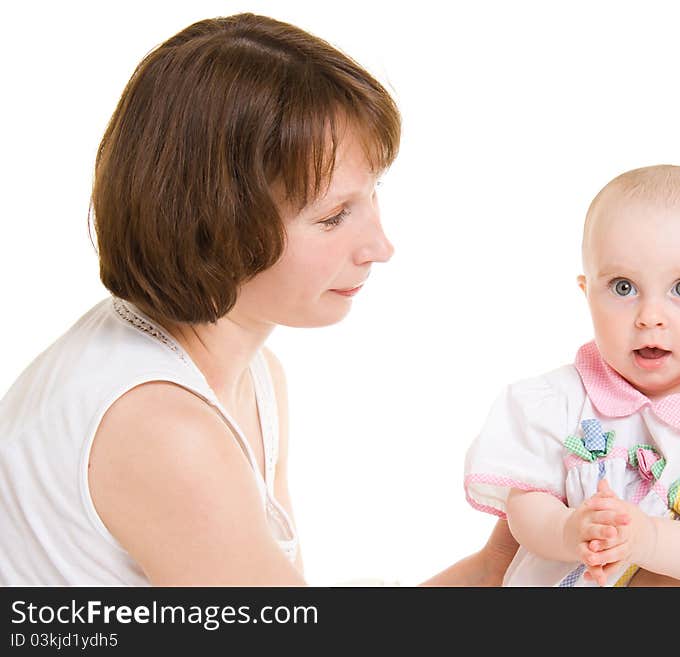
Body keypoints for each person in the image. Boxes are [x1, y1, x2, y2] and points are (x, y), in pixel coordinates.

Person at [0, 12, 520, 586]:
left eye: (373, 195)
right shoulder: (162, 427)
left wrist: (495, 569)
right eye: (333, 216)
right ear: (214, 224)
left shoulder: (249, 374)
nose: (380, 245)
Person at [464, 164, 680, 587]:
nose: (649, 317)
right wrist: (568, 530)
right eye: (623, 287)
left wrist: (650, 540)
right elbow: (524, 505)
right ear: (586, 292)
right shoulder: (561, 400)